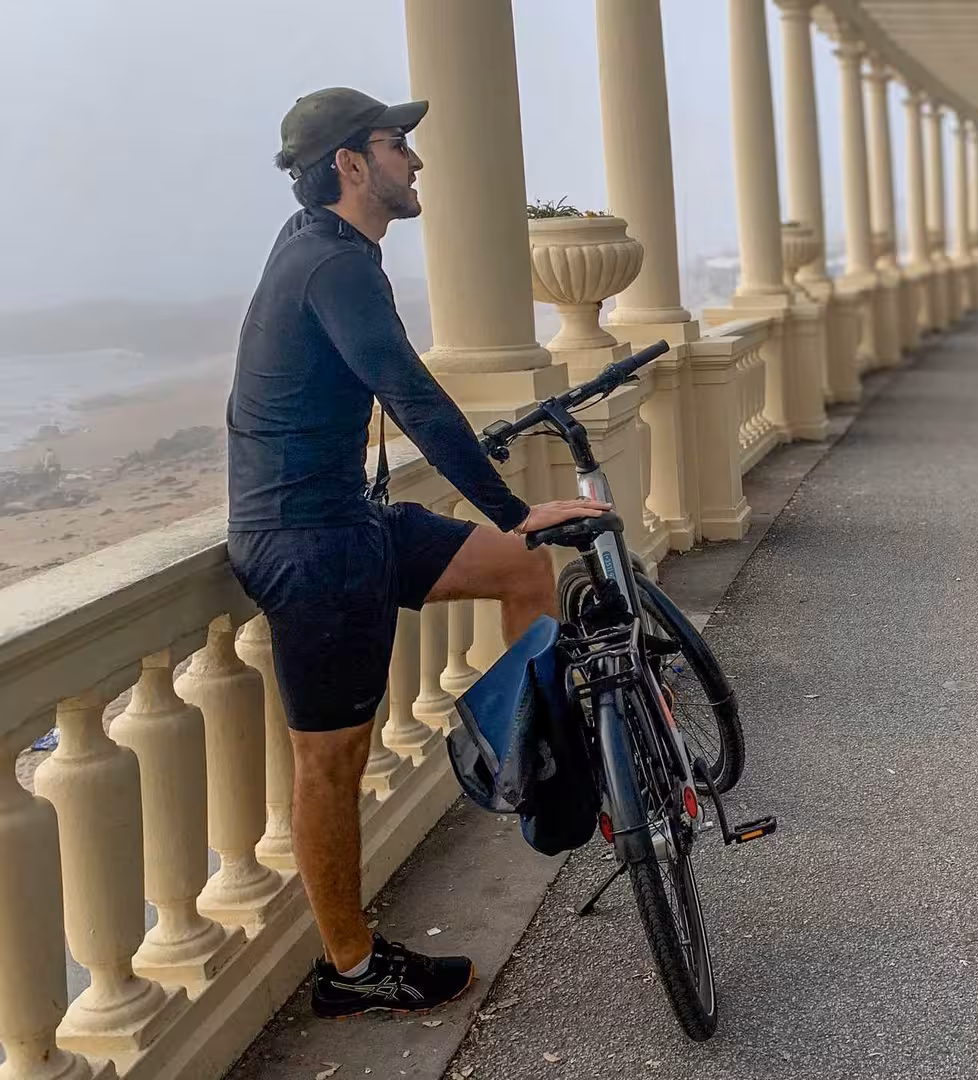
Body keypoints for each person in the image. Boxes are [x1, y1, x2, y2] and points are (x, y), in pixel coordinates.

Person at [228, 87, 610, 1018]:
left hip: (354, 525)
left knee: (524, 573)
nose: (417, 162)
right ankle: (352, 971)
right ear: (349, 167)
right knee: (330, 764)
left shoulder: (321, 249)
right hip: (309, 548)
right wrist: (513, 505)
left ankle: (524, 761)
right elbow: (411, 393)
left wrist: (514, 530)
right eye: (398, 146)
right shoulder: (331, 264)